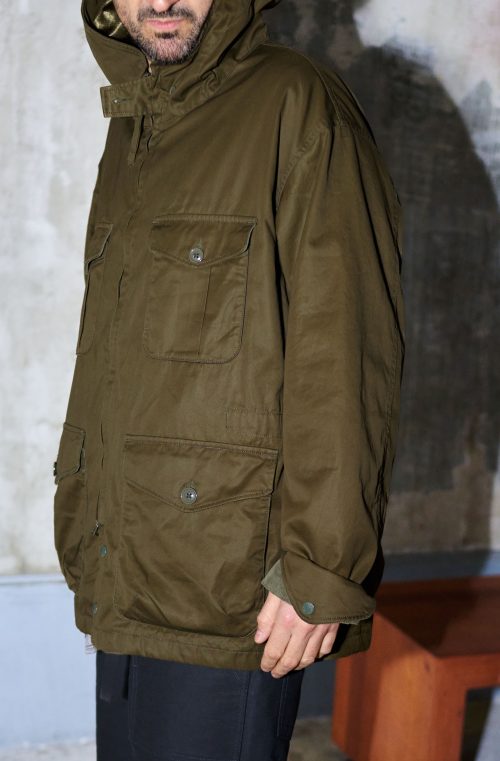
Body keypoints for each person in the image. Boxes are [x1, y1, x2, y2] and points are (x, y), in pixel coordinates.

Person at [52, 0, 405, 758]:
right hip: (127, 573)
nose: (161, 1)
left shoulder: (296, 104)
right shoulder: (135, 123)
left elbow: (348, 353)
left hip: (231, 587)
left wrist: (320, 568)